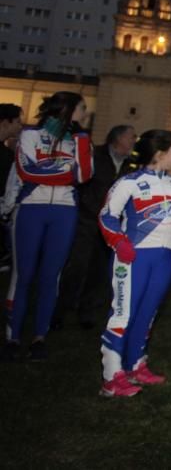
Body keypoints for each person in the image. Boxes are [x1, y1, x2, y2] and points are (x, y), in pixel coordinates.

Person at [97, 129, 171, 397]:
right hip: (133, 257)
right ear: (160, 154)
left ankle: (135, 364)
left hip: (165, 258)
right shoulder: (128, 182)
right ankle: (111, 376)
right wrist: (119, 243)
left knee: (148, 313)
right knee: (123, 313)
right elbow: (107, 216)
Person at [1, 91, 92, 362]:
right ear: (66, 108)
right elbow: (28, 171)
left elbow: (84, 175)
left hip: (64, 211)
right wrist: (66, 174)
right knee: (24, 274)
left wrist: (79, 145)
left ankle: (39, 338)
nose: (85, 113)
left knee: (51, 276)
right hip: (31, 209)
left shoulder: (79, 140)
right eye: (82, 107)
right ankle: (12, 337)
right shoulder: (30, 136)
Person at [56, 124, 137, 329]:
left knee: (99, 271)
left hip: (109, 227)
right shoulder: (96, 156)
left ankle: (86, 311)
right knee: (77, 266)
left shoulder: (130, 165)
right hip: (87, 220)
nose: (133, 141)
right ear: (117, 138)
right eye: (131, 137)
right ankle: (60, 310)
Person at [0, 103, 23, 272]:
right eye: (17, 122)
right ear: (5, 123)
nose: (20, 126)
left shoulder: (7, 153)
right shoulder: (6, 155)